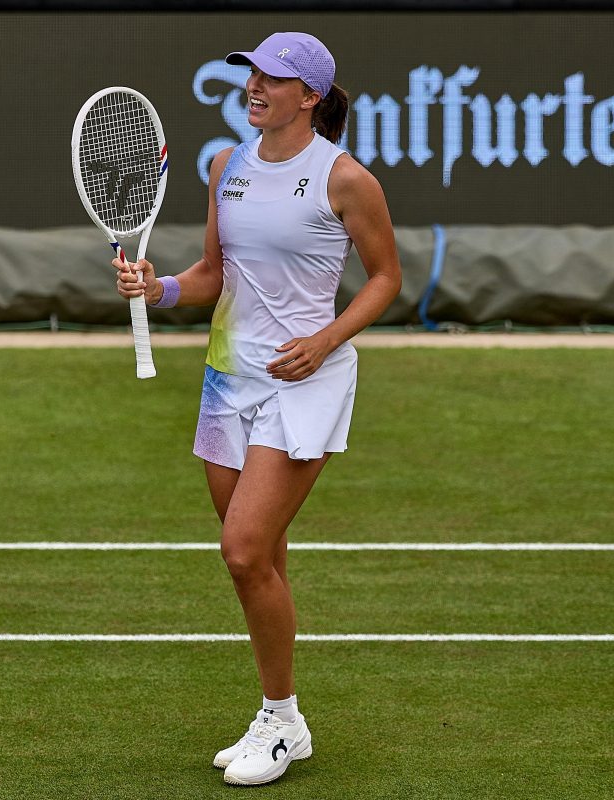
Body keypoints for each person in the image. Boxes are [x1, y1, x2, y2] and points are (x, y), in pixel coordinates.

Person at [114, 31, 401, 787]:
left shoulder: (345, 179)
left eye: (272, 78)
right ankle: (289, 724)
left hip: (304, 382)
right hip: (227, 381)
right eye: (251, 74)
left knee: (242, 550)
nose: (254, 86)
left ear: (309, 97)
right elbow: (214, 274)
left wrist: (326, 339)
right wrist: (158, 289)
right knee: (261, 560)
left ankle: (278, 718)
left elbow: (385, 278)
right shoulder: (226, 166)